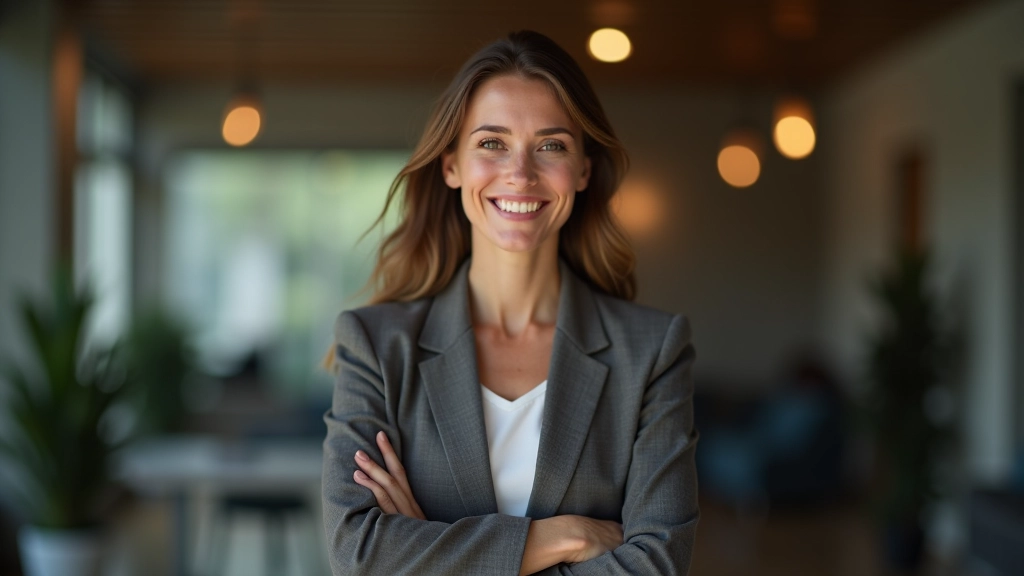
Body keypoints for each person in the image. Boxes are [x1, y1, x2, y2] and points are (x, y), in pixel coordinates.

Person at [321, 30, 699, 575]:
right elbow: (359, 553)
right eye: (492, 143)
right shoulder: (374, 346)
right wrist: (558, 538)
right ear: (451, 165)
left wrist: (429, 551)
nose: (520, 173)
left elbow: (657, 566)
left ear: (584, 170)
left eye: (551, 145)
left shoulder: (653, 351)